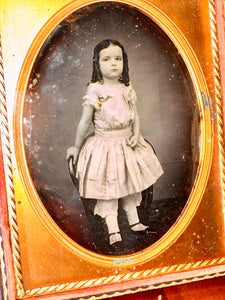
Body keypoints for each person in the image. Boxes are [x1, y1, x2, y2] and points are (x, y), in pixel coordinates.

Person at [66, 39, 163, 249]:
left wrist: (136, 135)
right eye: (107, 59)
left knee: (129, 185)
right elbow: (85, 120)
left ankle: (134, 220)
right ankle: (113, 229)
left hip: (126, 144)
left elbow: (135, 116)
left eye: (117, 59)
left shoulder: (126, 88)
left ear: (124, 62)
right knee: (109, 188)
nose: (113, 64)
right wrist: (76, 145)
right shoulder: (98, 92)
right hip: (105, 146)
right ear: (97, 64)